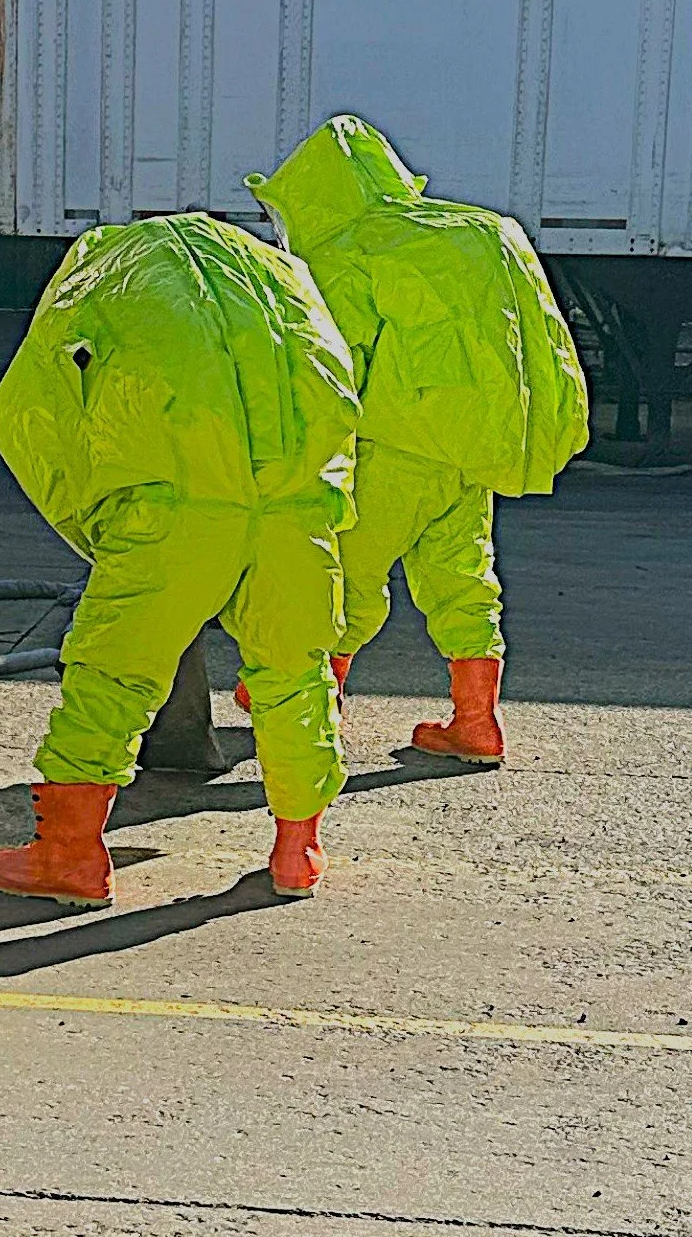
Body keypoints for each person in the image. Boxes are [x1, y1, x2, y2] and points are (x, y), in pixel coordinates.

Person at [0, 212, 362, 906]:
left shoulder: (110, 271)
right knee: (295, 672)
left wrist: (97, 518)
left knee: (111, 674)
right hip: (291, 509)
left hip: (175, 509)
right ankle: (297, 849)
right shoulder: (280, 278)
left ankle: (70, 854)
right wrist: (318, 501)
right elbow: (338, 391)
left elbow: (34, 408)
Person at [243, 116, 590, 765]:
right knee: (463, 578)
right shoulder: (479, 232)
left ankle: (313, 708)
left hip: (390, 447)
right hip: (471, 451)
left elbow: (329, 368)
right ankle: (476, 721)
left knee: (344, 574)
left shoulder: (346, 251)